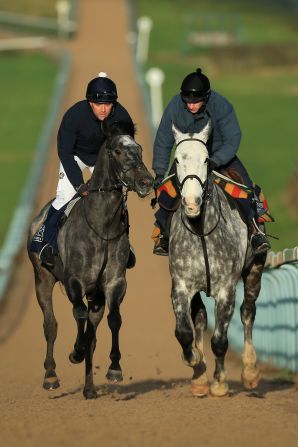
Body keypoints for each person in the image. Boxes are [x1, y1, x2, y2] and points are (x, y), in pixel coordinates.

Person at [152, 67, 271, 256]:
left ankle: (255, 230)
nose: (191, 105)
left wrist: (216, 160)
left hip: (219, 157)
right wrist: (159, 172)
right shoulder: (175, 105)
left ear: (206, 98)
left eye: (196, 101)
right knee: (167, 190)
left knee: (245, 186)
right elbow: (163, 140)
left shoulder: (221, 105)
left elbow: (233, 138)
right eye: (187, 101)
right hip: (189, 159)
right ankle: (163, 234)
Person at [31, 72, 136, 268]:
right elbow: (64, 152)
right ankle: (45, 240)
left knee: (118, 198)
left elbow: (128, 149)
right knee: (65, 196)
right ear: (89, 102)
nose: (103, 109)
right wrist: (79, 184)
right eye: (98, 104)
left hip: (104, 160)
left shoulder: (122, 117)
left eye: (108, 103)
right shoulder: (74, 115)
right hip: (76, 157)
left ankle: (124, 245)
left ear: (114, 103)